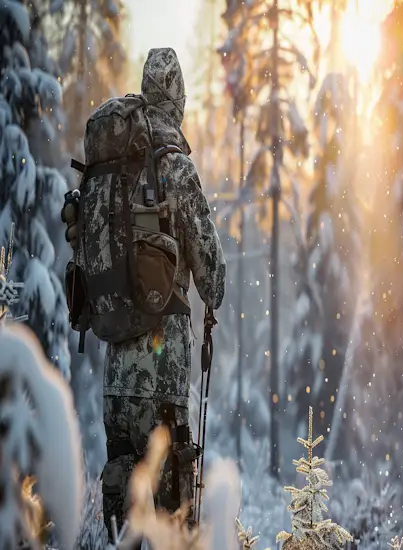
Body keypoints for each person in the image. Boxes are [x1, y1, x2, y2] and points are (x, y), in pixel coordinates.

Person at [62, 47, 226, 538]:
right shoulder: (174, 166)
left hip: (115, 379)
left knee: (124, 523)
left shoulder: (110, 165)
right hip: (164, 383)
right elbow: (213, 280)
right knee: (173, 524)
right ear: (177, 99)